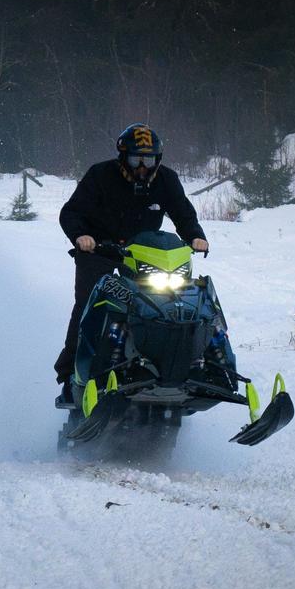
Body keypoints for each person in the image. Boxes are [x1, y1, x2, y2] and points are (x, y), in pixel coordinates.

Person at [54, 123, 209, 406]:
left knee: (174, 299)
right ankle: (71, 377)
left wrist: (196, 237)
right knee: (90, 304)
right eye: (136, 159)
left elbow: (184, 214)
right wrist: (82, 236)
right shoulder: (100, 175)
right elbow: (71, 212)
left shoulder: (166, 180)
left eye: (148, 160)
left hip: (144, 255)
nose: (142, 167)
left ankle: (188, 361)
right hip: (100, 252)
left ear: (157, 160)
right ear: (123, 157)